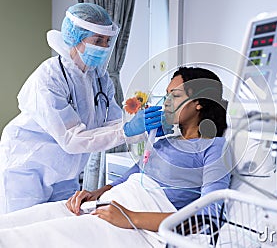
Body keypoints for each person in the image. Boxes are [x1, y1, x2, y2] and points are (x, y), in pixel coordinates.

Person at [0, 67, 232, 247]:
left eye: (175, 95)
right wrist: (95, 193)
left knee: (31, 239)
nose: (166, 102)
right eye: (166, 94)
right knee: (21, 222)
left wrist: (131, 217)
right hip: (111, 203)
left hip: (137, 220)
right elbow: (129, 177)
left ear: (199, 102)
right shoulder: (163, 142)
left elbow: (207, 217)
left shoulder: (214, 147)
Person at [0, 3, 164, 214]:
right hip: (27, 166)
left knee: (61, 222)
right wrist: (126, 130)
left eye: (107, 41)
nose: (104, 47)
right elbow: (71, 138)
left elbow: (112, 122)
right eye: (97, 41)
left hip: (66, 171)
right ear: (76, 39)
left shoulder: (100, 78)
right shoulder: (49, 77)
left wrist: (141, 129)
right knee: (21, 229)